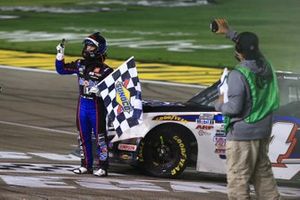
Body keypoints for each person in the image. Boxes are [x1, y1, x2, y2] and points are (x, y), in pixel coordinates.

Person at [213, 19, 281, 200]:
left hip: (242, 135)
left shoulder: (238, 74)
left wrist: (219, 104)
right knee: (263, 175)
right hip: (262, 131)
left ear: (239, 53)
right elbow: (251, 49)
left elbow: (234, 108)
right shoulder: (266, 66)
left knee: (238, 178)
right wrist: (230, 33)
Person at [55, 32, 113, 177]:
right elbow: (61, 70)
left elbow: (116, 92)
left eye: (91, 46)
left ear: (99, 49)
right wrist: (60, 56)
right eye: (87, 45)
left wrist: (101, 91)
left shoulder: (107, 71)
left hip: (97, 106)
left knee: (100, 137)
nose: (87, 48)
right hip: (82, 104)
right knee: (83, 136)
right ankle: (85, 165)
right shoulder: (80, 64)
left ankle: (103, 167)